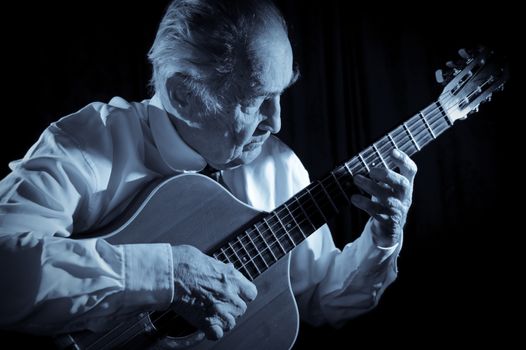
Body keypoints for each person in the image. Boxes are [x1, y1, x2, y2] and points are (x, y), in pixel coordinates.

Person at [0, 0, 417, 345]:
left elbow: (324, 300)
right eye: (257, 99)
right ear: (183, 94)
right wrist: (167, 274)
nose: (276, 122)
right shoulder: (89, 144)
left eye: (282, 95)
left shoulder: (279, 166)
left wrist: (382, 241)